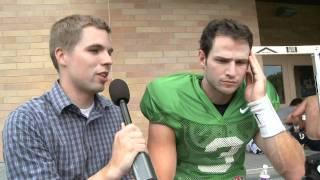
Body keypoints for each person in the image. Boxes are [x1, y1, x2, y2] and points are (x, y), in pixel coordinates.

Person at [140, 19, 305, 179]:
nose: (232, 72)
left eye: (240, 62)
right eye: (222, 60)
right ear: (202, 59)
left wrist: (261, 105)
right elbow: (162, 176)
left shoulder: (258, 95)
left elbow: (295, 172)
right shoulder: (171, 95)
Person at [3, 14, 147, 179]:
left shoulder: (116, 114)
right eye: (94, 50)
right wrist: (111, 170)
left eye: (109, 52)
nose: (108, 60)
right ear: (62, 56)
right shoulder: (27, 122)